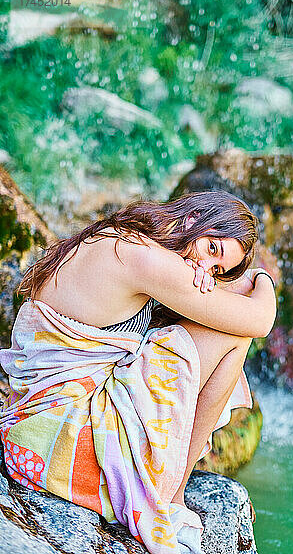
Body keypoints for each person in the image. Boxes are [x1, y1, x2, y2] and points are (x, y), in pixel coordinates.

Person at [0, 190, 276, 554]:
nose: (206, 271)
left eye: (216, 269)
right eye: (212, 250)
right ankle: (173, 493)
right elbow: (260, 320)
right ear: (193, 219)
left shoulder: (128, 236)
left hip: (38, 425)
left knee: (225, 318)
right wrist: (263, 279)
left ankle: (173, 483)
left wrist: (212, 270)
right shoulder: (146, 259)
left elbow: (219, 295)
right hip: (63, 441)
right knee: (235, 336)